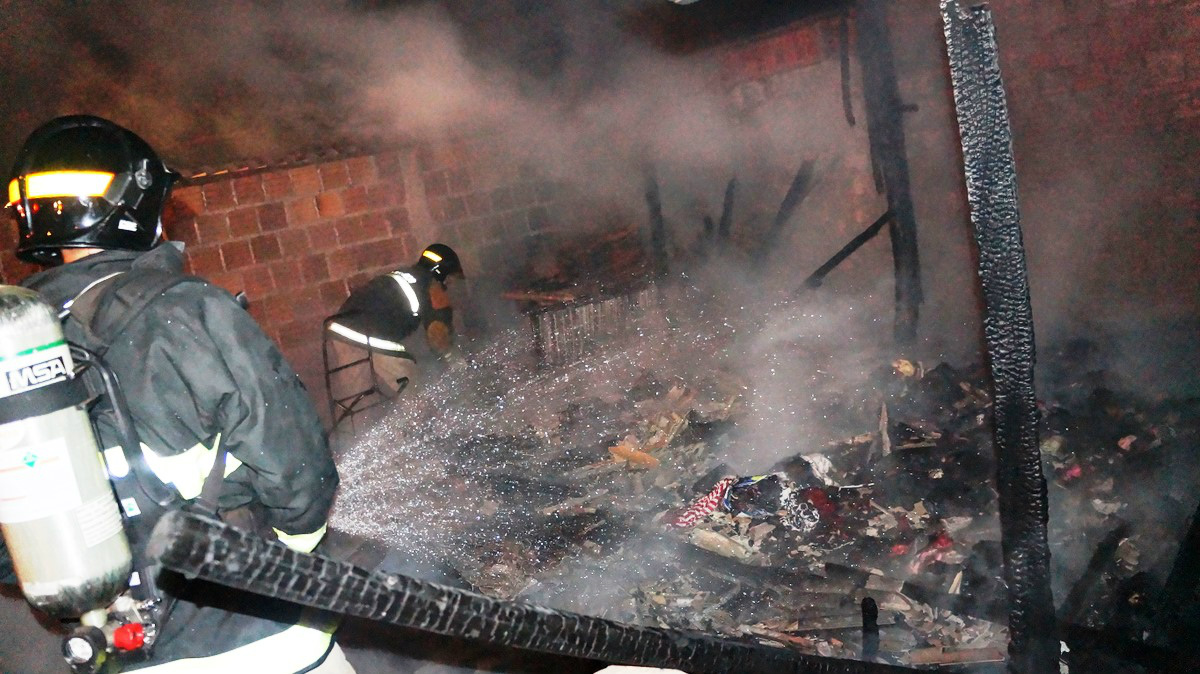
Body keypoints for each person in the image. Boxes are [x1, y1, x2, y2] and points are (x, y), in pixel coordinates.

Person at [1, 114, 352, 672]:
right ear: (134, 205)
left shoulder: (14, 344)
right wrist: (296, 549)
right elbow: (295, 462)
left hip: (120, 649)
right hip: (259, 637)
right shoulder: (185, 308)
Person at [323, 243, 464, 430]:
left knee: (356, 400)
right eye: (450, 280)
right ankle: (423, 433)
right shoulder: (432, 286)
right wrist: (456, 362)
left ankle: (356, 438)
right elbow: (438, 335)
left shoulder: (402, 275)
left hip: (339, 330)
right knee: (413, 387)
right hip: (369, 332)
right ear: (441, 272)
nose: (450, 286)